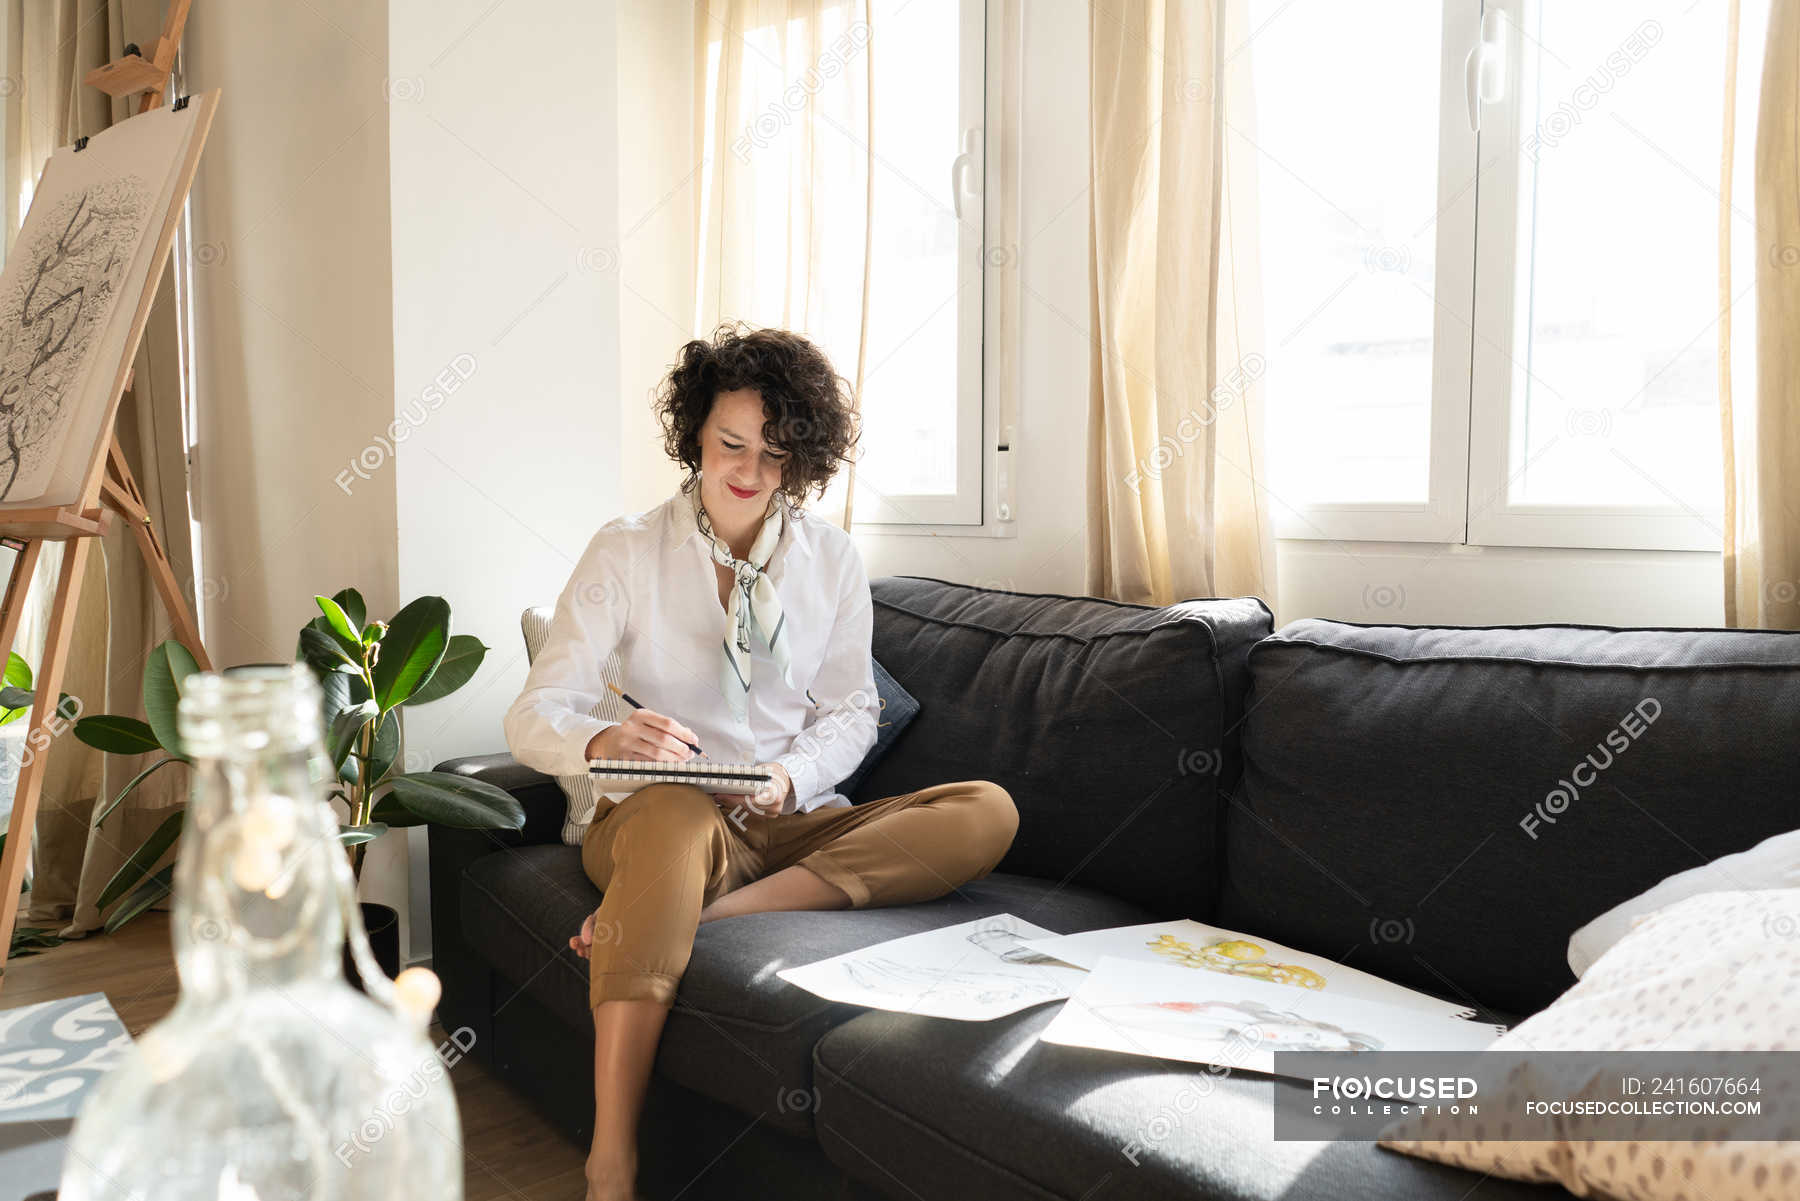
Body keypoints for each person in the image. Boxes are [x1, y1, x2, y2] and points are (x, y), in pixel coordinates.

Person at [502, 323, 1019, 1201]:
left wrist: (792, 778)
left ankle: (697, 920)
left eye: (778, 455)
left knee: (987, 809)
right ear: (694, 433)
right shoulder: (626, 549)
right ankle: (611, 1163)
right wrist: (603, 740)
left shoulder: (831, 558)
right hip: (656, 821)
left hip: (785, 822)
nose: (750, 471)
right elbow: (534, 712)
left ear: (804, 459)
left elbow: (852, 710)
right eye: (732, 444)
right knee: (670, 810)